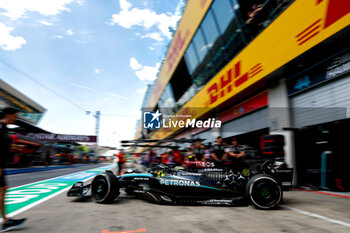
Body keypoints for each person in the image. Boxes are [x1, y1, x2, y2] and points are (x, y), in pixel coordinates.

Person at [0, 107, 26, 231]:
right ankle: (5, 221)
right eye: (16, 115)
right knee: (1, 191)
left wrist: (15, 147)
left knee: (2, 190)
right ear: (8, 115)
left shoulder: (4, 129)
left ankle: (5, 221)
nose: (17, 118)